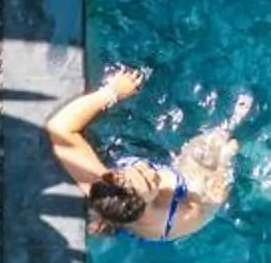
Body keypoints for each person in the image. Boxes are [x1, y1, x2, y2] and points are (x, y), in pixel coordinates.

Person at [45, 65, 237, 241]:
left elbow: (58, 128)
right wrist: (222, 165)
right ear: (145, 205)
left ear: (115, 174)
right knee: (218, 143)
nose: (148, 170)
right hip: (175, 210)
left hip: (119, 207)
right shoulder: (181, 216)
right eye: (149, 182)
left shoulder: (102, 183)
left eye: (137, 170)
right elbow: (214, 200)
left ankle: (106, 220)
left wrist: (111, 93)